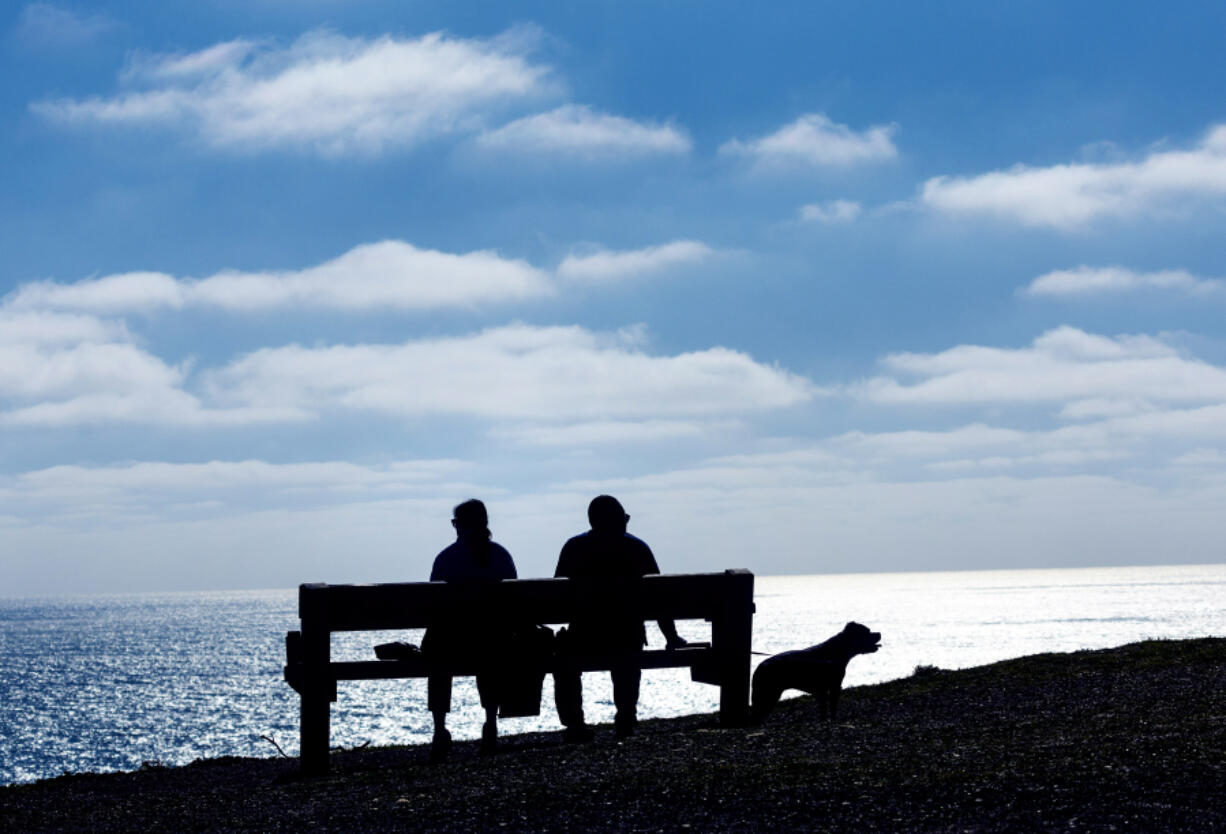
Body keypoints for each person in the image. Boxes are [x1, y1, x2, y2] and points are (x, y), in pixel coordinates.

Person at [553, 494, 686, 741]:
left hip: (584, 635)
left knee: (564, 659)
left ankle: (575, 723)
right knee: (628, 653)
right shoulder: (637, 548)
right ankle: (625, 715)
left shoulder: (574, 548)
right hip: (626, 635)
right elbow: (658, 596)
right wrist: (671, 636)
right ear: (619, 521)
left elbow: (557, 598)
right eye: (625, 518)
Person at [424, 499, 517, 759]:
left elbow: (433, 603)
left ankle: (440, 729)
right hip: (492, 642)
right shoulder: (501, 556)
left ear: (459, 526)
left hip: (451, 644)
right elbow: (514, 600)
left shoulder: (447, 558)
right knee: (490, 646)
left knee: (437, 651)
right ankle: (490, 721)